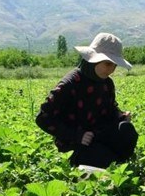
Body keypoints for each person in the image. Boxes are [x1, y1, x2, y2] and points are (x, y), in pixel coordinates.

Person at [36, 32, 138, 169]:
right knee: (104, 158)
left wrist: (120, 115)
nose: (111, 70)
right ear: (92, 59)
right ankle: (108, 164)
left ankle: (115, 164)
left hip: (99, 134)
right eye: (108, 64)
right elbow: (43, 118)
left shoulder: (107, 83)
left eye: (114, 65)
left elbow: (110, 108)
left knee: (127, 131)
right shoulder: (70, 83)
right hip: (75, 143)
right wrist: (76, 135)